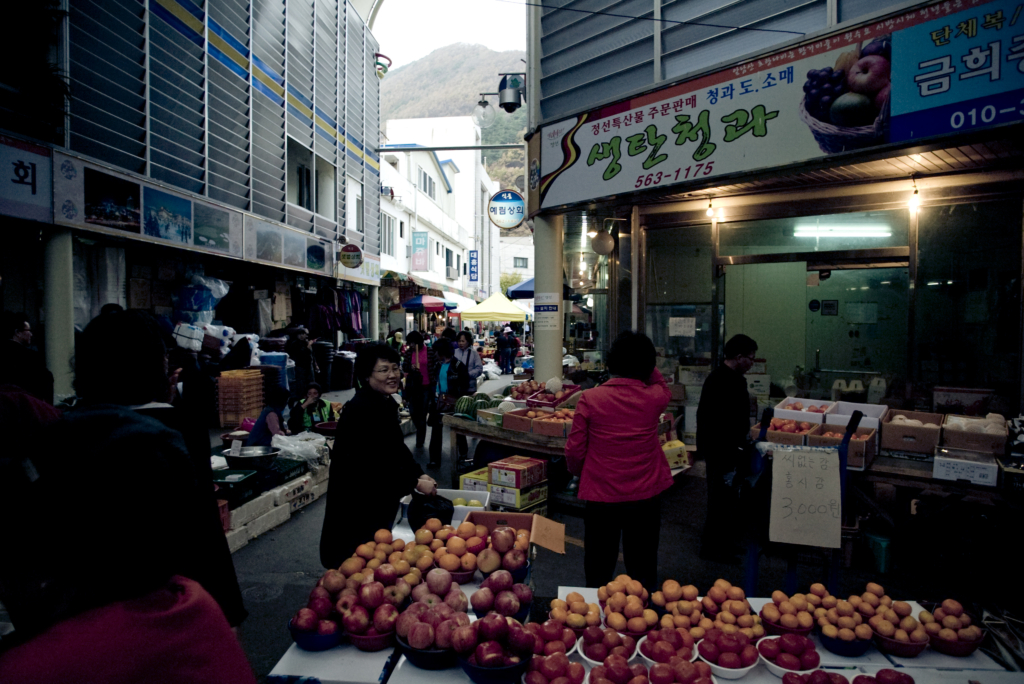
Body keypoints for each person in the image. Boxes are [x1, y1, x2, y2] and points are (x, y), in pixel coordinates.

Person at [0, 311, 255, 684]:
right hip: (161, 601)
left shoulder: (58, 433)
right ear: (155, 367)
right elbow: (201, 523)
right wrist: (226, 608)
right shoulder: (168, 433)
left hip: (73, 611)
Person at [565, 330, 671, 591]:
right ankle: (642, 621)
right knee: (642, 566)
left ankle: (595, 622)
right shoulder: (655, 398)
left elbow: (575, 452)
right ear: (647, 366)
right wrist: (649, 367)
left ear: (610, 363)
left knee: (599, 567)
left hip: (601, 496)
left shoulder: (590, 399)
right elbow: (661, 383)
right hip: (646, 496)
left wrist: (583, 473)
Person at [319, 344, 437, 569]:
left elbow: (397, 449)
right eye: (383, 370)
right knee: (356, 570)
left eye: (395, 368)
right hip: (357, 509)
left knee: (374, 562)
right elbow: (373, 467)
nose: (393, 375)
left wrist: (419, 473)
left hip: (376, 504)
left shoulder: (383, 403)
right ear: (366, 375)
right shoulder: (361, 410)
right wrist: (414, 482)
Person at [696, 334, 758, 562]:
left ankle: (725, 543)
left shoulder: (732, 378)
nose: (752, 363)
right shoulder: (721, 380)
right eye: (751, 358)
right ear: (739, 357)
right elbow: (716, 420)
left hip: (730, 450)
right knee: (719, 501)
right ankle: (712, 548)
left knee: (729, 499)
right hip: (721, 451)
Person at [428, 338, 470, 468]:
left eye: (436, 351)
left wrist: (458, 398)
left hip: (453, 403)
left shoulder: (458, 366)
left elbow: (465, 384)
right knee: (436, 431)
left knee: (458, 429)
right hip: (439, 402)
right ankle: (434, 459)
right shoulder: (438, 365)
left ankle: (463, 455)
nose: (435, 354)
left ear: (441, 351)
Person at [0, 312, 54, 404]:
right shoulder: (31, 357)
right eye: (28, 330)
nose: (31, 334)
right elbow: (47, 380)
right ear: (17, 333)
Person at [402, 331, 437, 449]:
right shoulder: (408, 353)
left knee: (422, 413)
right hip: (413, 386)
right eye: (409, 343)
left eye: (413, 343)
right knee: (413, 412)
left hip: (426, 386)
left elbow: (436, 365)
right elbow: (404, 367)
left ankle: (420, 440)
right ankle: (419, 429)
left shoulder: (430, 351)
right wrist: (410, 368)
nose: (411, 345)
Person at [285, 326, 316, 398]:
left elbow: (311, 355)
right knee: (301, 382)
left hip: (308, 365)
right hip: (300, 365)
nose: (304, 336)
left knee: (310, 381)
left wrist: (315, 364)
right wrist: (308, 347)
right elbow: (301, 354)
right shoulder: (295, 344)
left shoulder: (305, 343)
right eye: (302, 334)